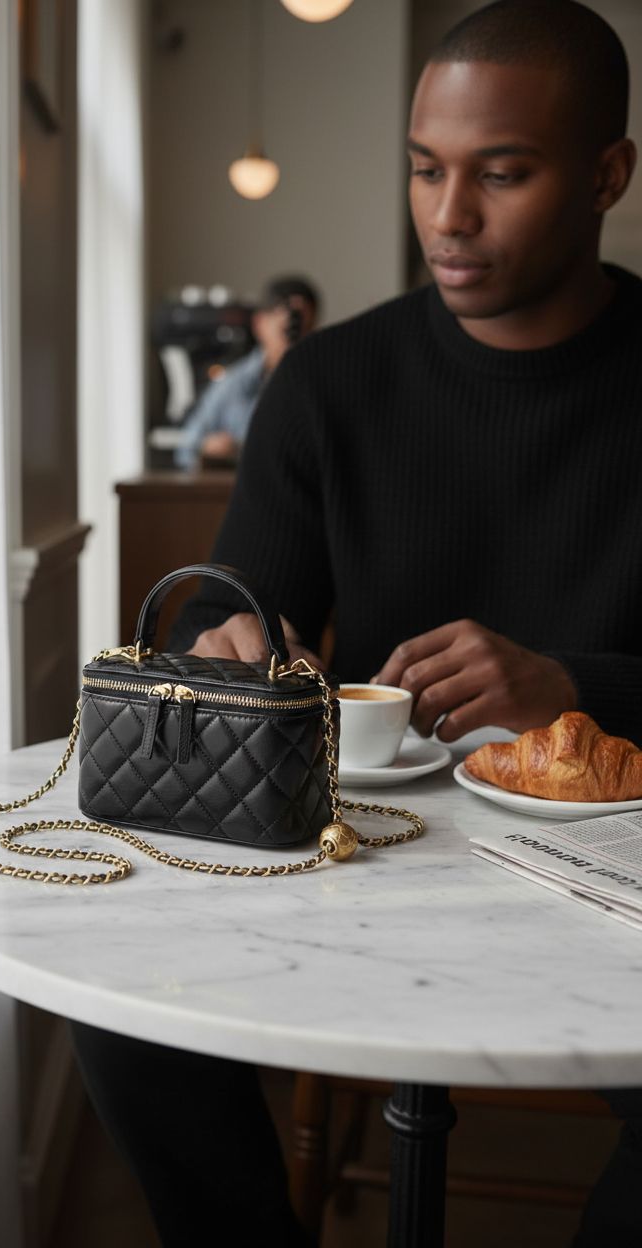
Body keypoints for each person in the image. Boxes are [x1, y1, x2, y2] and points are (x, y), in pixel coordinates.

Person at [72, 3, 642, 1245]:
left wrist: (566, 682)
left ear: (608, 174)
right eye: (425, 168)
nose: (447, 216)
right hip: (367, 866)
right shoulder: (331, 384)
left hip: (620, 894)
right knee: (119, 1010)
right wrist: (226, 663)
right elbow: (245, 614)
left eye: (501, 173)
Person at [173, 275, 320, 470]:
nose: (293, 333)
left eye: (303, 326)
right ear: (259, 323)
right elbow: (186, 451)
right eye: (284, 328)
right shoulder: (233, 383)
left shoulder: (323, 384)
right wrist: (213, 449)